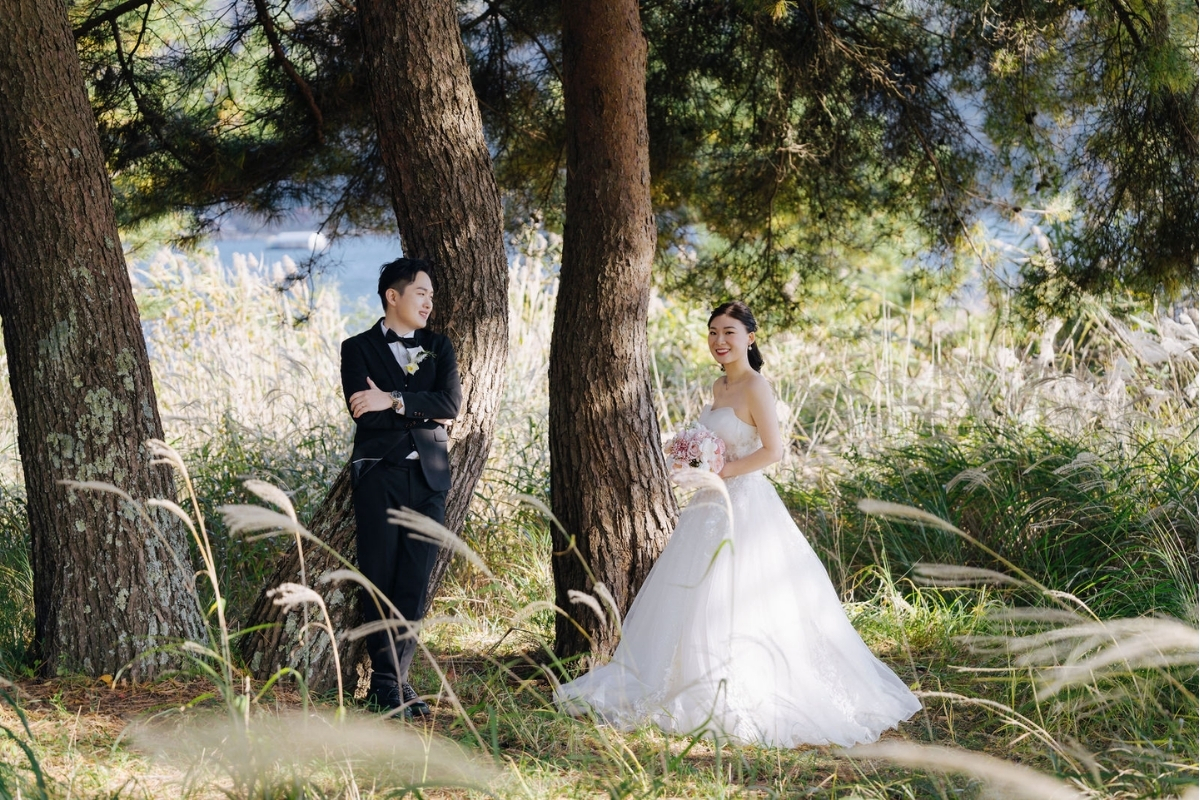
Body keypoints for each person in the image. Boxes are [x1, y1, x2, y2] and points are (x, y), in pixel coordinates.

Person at [555, 301, 921, 748]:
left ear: (750, 336)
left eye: (728, 332)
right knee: (696, 592)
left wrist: (721, 471)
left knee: (737, 591)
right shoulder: (718, 386)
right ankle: (683, 679)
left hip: (746, 503)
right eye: (712, 333)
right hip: (709, 504)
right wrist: (693, 463)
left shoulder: (756, 387)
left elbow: (773, 451)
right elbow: (718, 445)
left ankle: (744, 687)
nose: (719, 342)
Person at [341, 257, 461, 718]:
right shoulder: (358, 348)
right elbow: (362, 412)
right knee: (379, 578)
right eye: (420, 293)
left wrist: (390, 398)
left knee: (414, 580)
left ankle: (393, 683)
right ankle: (387, 685)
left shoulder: (439, 345)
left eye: (431, 295)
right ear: (393, 296)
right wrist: (415, 408)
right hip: (379, 476)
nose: (429, 302)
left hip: (429, 478)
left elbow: (448, 404)